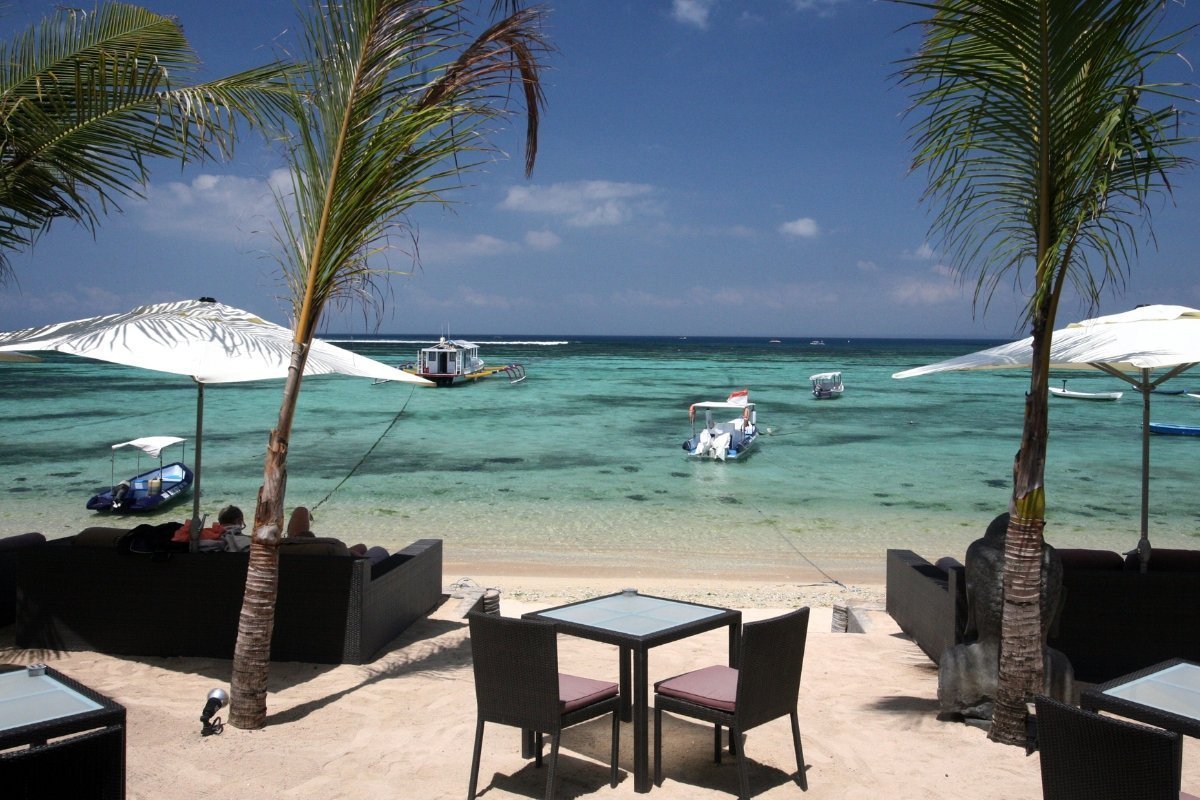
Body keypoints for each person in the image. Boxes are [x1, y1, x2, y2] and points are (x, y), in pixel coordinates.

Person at [286, 506, 389, 562]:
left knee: (361, 547)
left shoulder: (279, 550)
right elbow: (361, 564)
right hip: (343, 569)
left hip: (292, 553)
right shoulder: (333, 549)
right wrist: (351, 554)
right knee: (379, 550)